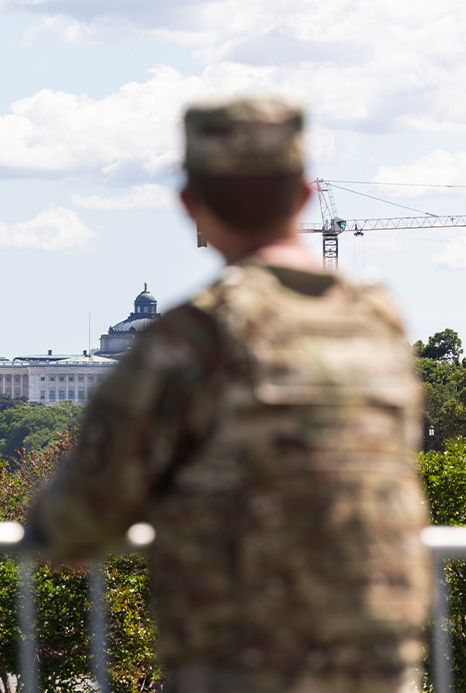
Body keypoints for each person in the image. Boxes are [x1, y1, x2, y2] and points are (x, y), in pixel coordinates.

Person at [24, 96, 430, 693]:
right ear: (304, 196)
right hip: (381, 655)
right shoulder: (379, 322)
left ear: (190, 204)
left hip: (245, 655)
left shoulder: (199, 336)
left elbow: (84, 513)